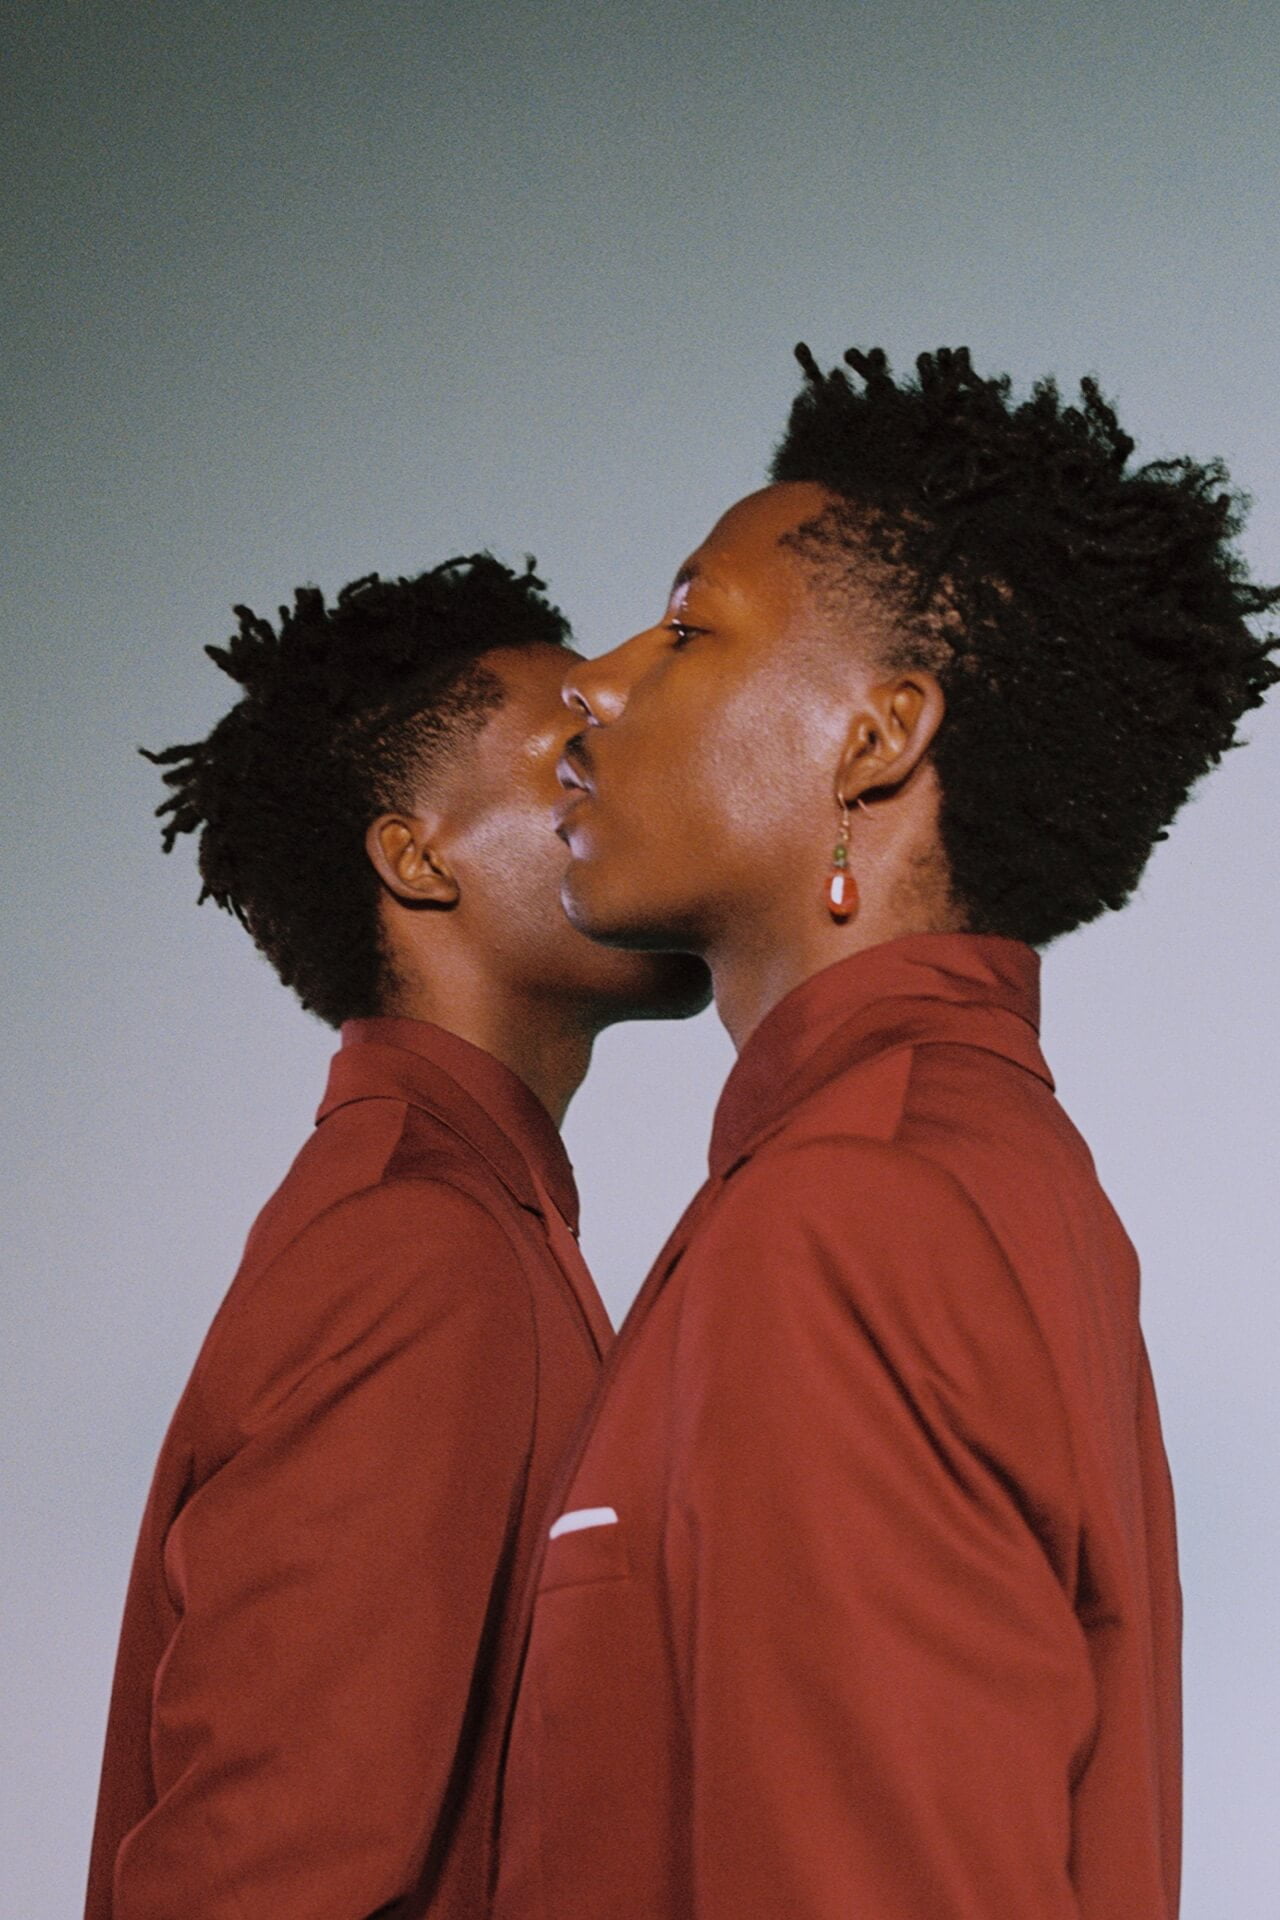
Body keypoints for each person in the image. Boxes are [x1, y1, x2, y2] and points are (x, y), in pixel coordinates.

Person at [495, 347, 1279, 1919]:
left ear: (875, 740)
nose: (596, 679)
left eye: (689, 625)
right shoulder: (968, 1171)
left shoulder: (848, 1216)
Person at [84, 555, 708, 1920]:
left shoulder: (470, 1216)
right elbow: (256, 1874)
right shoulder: (421, 1251)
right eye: (575, 759)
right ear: (418, 861)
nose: (641, 781)